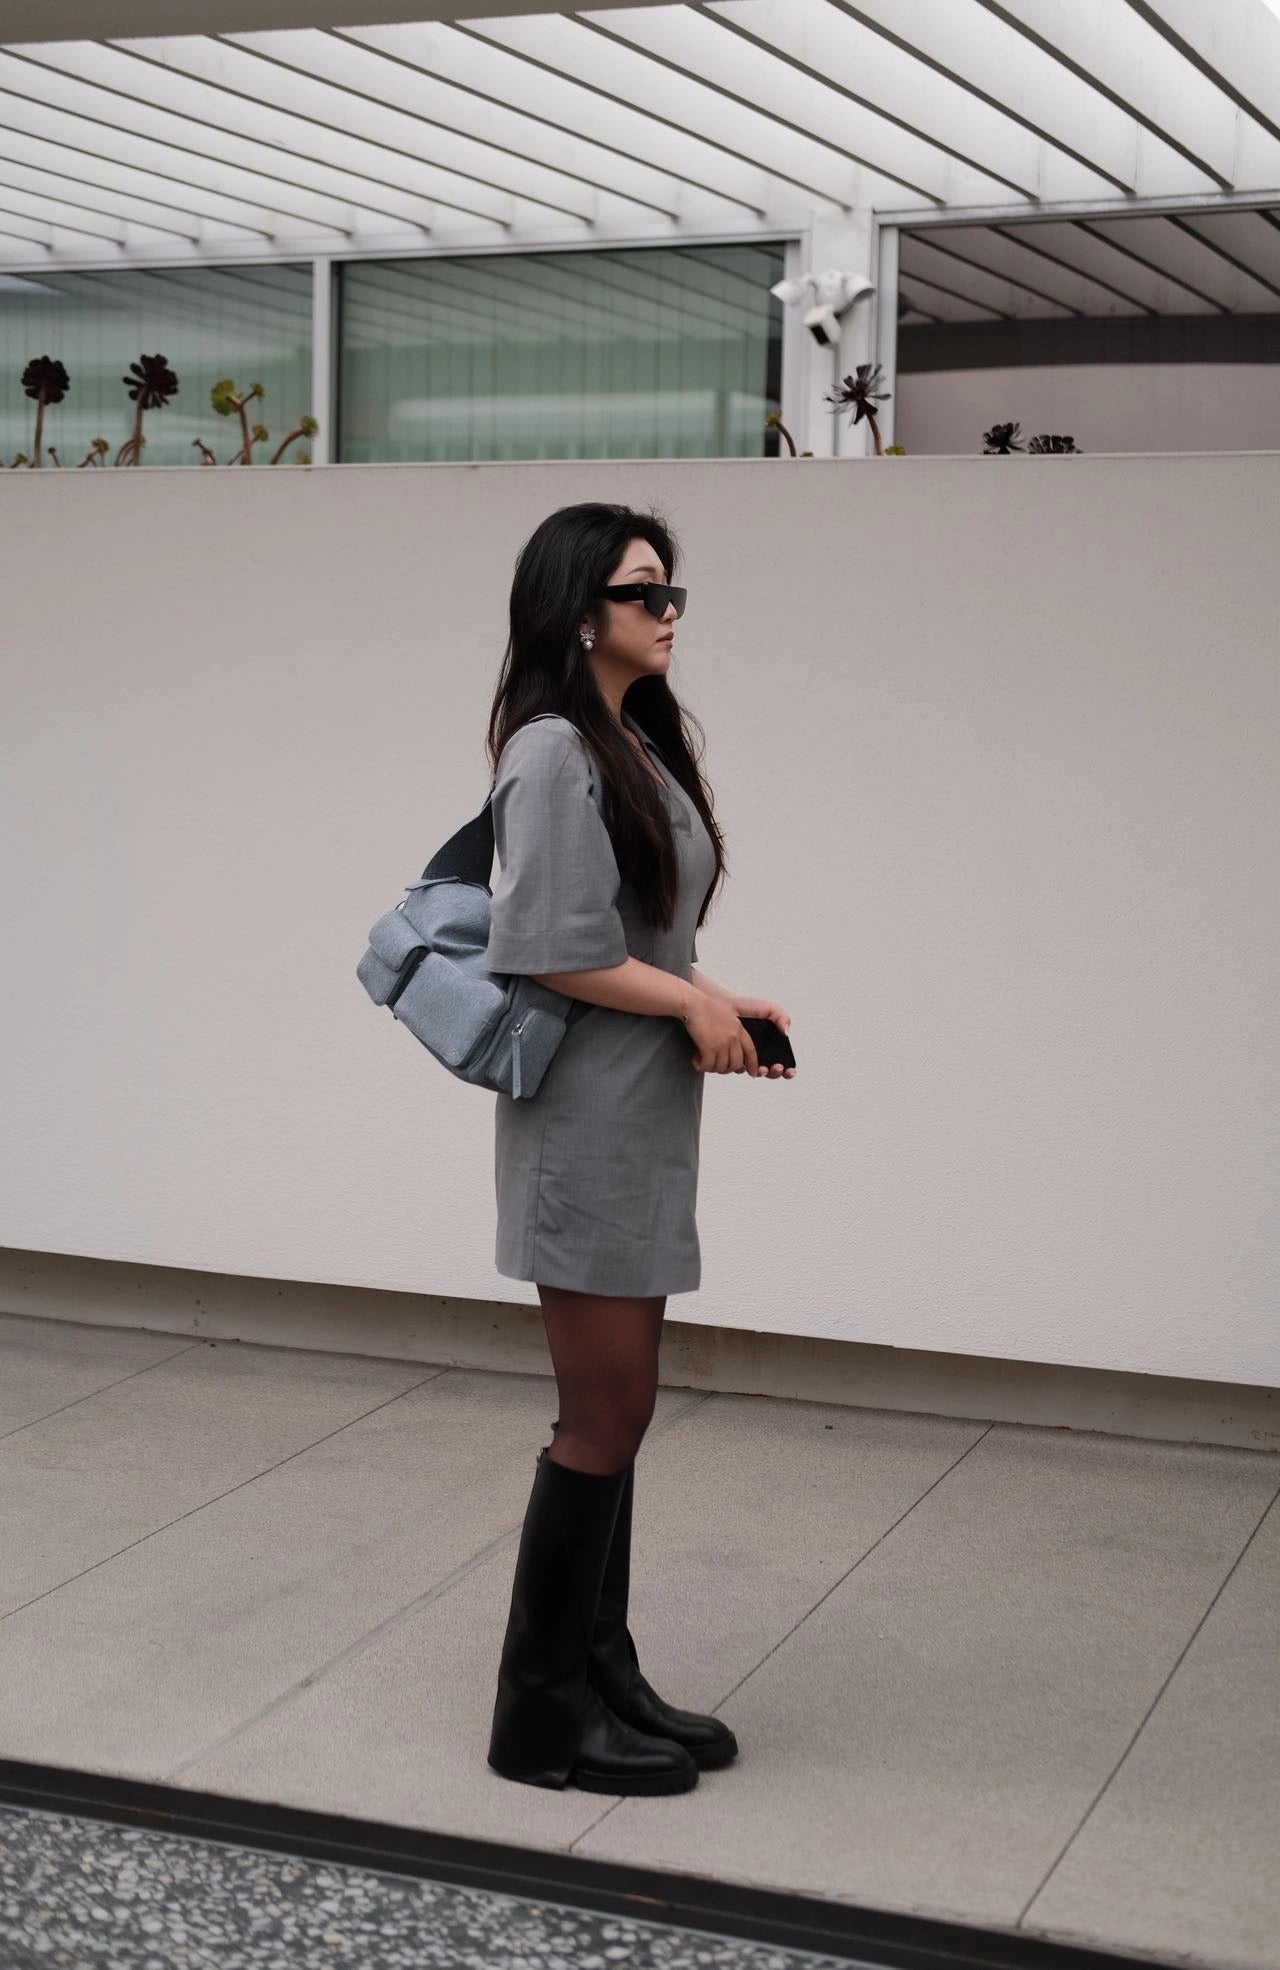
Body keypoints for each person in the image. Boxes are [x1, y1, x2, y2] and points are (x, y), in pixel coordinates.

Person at [482, 501, 795, 1797]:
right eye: (643, 592)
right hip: (588, 1119)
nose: (668, 615)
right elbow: (547, 947)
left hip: (641, 1108)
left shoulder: (627, 743)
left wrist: (721, 995)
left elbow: (639, 937)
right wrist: (690, 1005)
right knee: (604, 1412)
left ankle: (600, 1668)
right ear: (576, 610)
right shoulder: (555, 749)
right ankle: (540, 1713)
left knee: (619, 1406)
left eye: (673, 594)